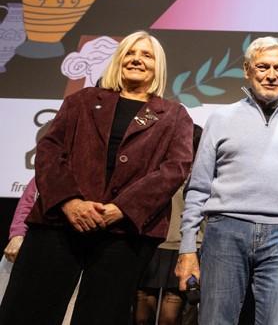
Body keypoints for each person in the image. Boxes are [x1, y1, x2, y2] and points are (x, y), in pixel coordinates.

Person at [0, 31, 194, 325]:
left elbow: (174, 169)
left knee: (101, 316)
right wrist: (70, 202)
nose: (136, 59)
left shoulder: (174, 115)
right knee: (28, 311)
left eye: (146, 55)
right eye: (130, 53)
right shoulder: (82, 100)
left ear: (158, 66)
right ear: (118, 59)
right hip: (60, 225)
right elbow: (49, 152)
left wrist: (122, 208)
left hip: (124, 234)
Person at [176, 36, 278, 325]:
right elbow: (199, 187)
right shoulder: (220, 118)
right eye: (263, 67)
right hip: (225, 231)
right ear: (247, 70)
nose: (271, 75)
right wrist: (188, 247)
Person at [134, 125, 203, 325]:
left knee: (172, 311)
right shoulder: (155, 168)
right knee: (142, 304)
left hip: (187, 247)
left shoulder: (202, 174)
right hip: (152, 242)